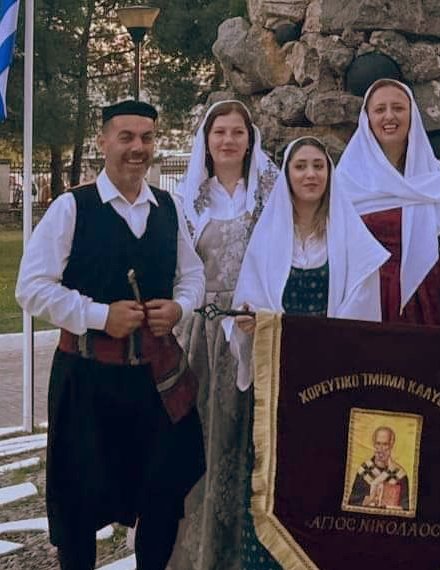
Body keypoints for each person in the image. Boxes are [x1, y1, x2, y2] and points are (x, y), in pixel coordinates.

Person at [15, 100, 206, 570]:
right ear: (103, 142)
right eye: (126, 137)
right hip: (86, 380)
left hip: (154, 381)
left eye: (146, 137)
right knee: (78, 506)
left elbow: (193, 275)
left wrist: (179, 307)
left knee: (160, 499)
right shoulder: (71, 207)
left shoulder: (169, 208)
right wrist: (100, 316)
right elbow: (31, 288)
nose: (138, 147)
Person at [228, 136, 389, 569]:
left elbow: (362, 312)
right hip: (278, 380)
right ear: (287, 175)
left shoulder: (350, 236)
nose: (310, 174)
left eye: (319, 166)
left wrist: (326, 349)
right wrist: (249, 321)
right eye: (300, 166)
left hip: (332, 380)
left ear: (330, 174)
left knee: (327, 476)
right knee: (274, 476)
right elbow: (248, 300)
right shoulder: (269, 235)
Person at [169, 99, 279, 570]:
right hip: (202, 331)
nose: (229, 140)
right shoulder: (187, 200)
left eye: (238, 132)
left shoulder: (271, 193)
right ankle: (200, 550)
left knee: (251, 437)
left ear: (250, 140)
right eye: (220, 132)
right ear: (207, 141)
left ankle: (251, 550)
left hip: (256, 325)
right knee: (200, 436)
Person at [334, 79, 440, 326]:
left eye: (398, 108)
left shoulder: (433, 178)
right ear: (367, 119)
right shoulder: (347, 180)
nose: (389, 116)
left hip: (432, 298)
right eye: (379, 109)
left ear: (412, 114)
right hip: (370, 298)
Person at [348, 427, 410, 510]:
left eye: (385, 444)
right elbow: (352, 502)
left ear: (391, 445)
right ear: (374, 444)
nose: (381, 449)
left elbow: (405, 507)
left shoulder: (399, 474)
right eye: (378, 443)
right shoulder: (364, 470)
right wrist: (366, 501)